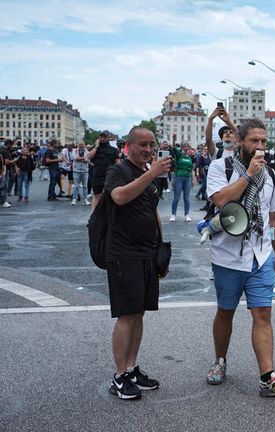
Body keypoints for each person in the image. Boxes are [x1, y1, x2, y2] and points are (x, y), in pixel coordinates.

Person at [204, 118, 275, 396]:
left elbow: (273, 215)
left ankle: (267, 377)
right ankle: (220, 361)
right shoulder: (220, 167)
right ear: (240, 142)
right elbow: (221, 201)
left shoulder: (269, 174)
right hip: (228, 256)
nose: (260, 146)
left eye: (263, 141)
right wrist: (247, 175)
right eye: (254, 141)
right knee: (226, 311)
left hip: (261, 255)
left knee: (263, 313)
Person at [104, 126, 172, 400]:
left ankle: (131, 368)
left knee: (139, 312)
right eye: (142, 144)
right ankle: (119, 376)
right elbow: (119, 197)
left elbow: (152, 211)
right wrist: (152, 174)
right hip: (124, 253)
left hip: (146, 253)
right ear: (128, 146)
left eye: (151, 145)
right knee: (127, 314)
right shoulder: (118, 171)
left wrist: (161, 249)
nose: (148, 150)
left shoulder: (147, 173)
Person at [89, 132, 121, 210]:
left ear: (108, 138)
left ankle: (109, 214)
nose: (102, 138)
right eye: (101, 137)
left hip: (109, 175)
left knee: (110, 195)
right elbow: (89, 156)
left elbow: (118, 163)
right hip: (97, 175)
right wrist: (96, 146)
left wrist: (118, 173)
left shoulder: (113, 150)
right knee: (97, 195)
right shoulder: (95, 148)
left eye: (104, 137)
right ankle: (94, 215)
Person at [169, 136, 194, 222]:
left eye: (187, 146)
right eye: (184, 146)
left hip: (188, 177)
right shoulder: (179, 154)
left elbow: (192, 168)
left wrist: (193, 179)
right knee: (176, 197)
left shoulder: (190, 156)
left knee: (186, 197)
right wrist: (174, 140)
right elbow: (173, 148)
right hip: (179, 176)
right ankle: (173, 214)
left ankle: (187, 214)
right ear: (182, 147)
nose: (186, 147)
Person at [71, 141, 90, 205]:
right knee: (76, 186)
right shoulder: (75, 150)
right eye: (80, 144)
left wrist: (79, 159)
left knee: (85, 186)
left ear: (84, 145)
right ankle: (74, 199)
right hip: (76, 170)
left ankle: (85, 199)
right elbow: (74, 158)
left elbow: (88, 159)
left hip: (85, 171)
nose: (81, 145)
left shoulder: (87, 151)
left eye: (82, 144)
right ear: (78, 145)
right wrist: (84, 158)